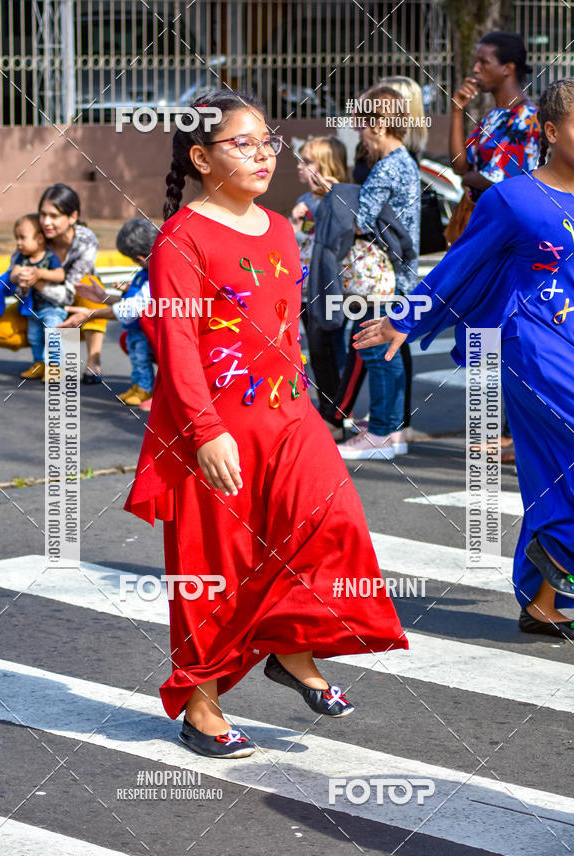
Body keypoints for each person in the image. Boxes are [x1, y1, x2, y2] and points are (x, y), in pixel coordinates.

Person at [123, 89, 408, 759]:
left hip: (288, 414)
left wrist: (313, 398)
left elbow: (286, 334)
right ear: (200, 156)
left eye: (266, 142)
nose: (261, 154)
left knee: (331, 521)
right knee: (211, 570)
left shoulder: (280, 227)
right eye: (242, 143)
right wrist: (202, 430)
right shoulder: (181, 238)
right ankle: (201, 707)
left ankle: (290, 643)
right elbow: (178, 345)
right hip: (215, 429)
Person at [354, 79, 574, 637]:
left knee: (553, 474)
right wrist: (404, 318)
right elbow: (460, 266)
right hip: (535, 349)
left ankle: (543, 600)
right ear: (550, 132)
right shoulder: (513, 198)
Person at [450, 32, 540, 463]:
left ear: (508, 68)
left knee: (514, 329)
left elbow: (520, 183)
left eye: (484, 61)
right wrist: (456, 112)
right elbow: (461, 167)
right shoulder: (491, 119)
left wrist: (476, 182)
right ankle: (499, 431)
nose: (476, 69)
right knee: (486, 326)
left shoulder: (530, 118)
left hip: (515, 240)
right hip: (484, 234)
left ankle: (515, 433)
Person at [321, 85, 421, 460]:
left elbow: (362, 222)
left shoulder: (386, 168)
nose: (359, 132)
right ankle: (390, 428)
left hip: (381, 274)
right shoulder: (404, 161)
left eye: (363, 124)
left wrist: (335, 195)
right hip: (398, 273)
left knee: (380, 353)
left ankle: (381, 433)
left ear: (379, 124)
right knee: (388, 350)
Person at [61, 217, 158, 408]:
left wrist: (91, 314)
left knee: (142, 359)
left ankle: (146, 390)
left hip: (146, 331)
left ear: (139, 258)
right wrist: (103, 297)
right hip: (135, 330)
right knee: (137, 359)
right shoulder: (143, 275)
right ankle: (138, 386)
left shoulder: (154, 276)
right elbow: (130, 302)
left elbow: (134, 307)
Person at [291, 137, 349, 414]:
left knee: (331, 344)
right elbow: (303, 237)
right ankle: (331, 404)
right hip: (306, 285)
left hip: (330, 285)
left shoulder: (340, 196)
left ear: (325, 164)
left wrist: (328, 197)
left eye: (307, 161)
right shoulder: (304, 200)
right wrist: (296, 223)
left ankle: (339, 407)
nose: (300, 167)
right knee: (317, 348)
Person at [32, 183, 107, 384]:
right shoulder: (35, 236)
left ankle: (94, 358)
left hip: (78, 303)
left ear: (73, 217)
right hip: (42, 305)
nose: (46, 222)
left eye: (54, 216)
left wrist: (37, 281)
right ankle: (40, 359)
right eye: (43, 214)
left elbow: (69, 293)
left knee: (89, 284)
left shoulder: (85, 240)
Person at [0, 213, 66, 379]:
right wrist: (19, 277)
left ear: (39, 238)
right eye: (16, 238)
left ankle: (55, 367)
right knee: (35, 337)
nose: (18, 243)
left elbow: (60, 275)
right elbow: (14, 272)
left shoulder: (49, 257)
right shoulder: (21, 258)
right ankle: (39, 363)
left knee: (53, 335)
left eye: (22, 238)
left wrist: (40, 274)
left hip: (51, 308)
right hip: (31, 309)